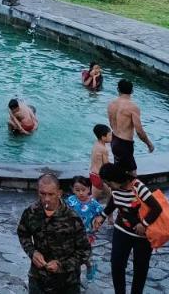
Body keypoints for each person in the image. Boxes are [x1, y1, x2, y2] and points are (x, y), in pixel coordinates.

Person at [16, 172, 90, 294]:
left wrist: (61, 265)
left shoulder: (72, 217)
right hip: (38, 280)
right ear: (37, 191)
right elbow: (23, 233)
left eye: (51, 194)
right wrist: (32, 252)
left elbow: (84, 251)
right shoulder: (31, 212)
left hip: (67, 283)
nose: (46, 199)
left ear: (59, 193)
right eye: (42, 193)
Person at [100, 162, 162, 294]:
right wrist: (102, 215)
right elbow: (114, 201)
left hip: (142, 236)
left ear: (115, 178)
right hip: (121, 230)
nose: (107, 185)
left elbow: (157, 208)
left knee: (140, 268)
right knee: (117, 264)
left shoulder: (138, 187)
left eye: (108, 182)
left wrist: (144, 224)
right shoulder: (115, 188)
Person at [107, 79, 154, 173]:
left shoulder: (111, 104)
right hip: (125, 144)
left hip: (114, 140)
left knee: (120, 172)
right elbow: (139, 131)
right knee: (132, 174)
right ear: (132, 91)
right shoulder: (133, 107)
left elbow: (111, 123)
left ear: (117, 89)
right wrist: (149, 144)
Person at [66, 175, 106, 283]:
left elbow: (102, 215)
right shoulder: (70, 200)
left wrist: (97, 222)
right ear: (72, 190)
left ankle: (89, 266)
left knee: (84, 254)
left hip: (88, 234)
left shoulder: (93, 203)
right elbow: (63, 212)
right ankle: (75, 276)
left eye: (83, 190)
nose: (81, 193)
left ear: (89, 188)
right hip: (72, 233)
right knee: (74, 254)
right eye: (77, 190)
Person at [89, 123, 113, 197]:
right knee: (94, 199)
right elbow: (106, 165)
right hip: (99, 176)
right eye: (109, 135)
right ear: (103, 137)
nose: (111, 137)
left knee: (109, 194)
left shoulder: (96, 144)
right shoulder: (104, 149)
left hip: (92, 174)